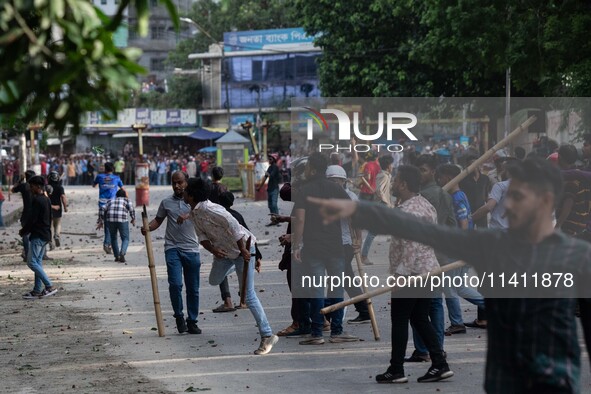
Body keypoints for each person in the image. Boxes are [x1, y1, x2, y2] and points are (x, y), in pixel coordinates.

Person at [310, 157, 591, 393]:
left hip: (556, 384)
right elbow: (421, 230)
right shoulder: (492, 247)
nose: (510, 205)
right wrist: (360, 209)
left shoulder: (578, 258)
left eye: (518, 197)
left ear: (545, 201)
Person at [375, 165, 453, 383]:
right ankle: (439, 363)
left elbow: (412, 245)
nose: (393, 184)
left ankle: (396, 370)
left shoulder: (406, 212)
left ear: (404, 184)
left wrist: (401, 275)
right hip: (429, 270)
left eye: (396, 181)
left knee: (400, 319)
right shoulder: (426, 206)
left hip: (412, 274)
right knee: (420, 318)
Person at [182, 177, 278, 355]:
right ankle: (239, 270)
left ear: (192, 195)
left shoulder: (213, 209)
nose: (183, 192)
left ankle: (267, 335)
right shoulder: (194, 213)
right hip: (225, 253)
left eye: (186, 189)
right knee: (213, 280)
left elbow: (236, 228)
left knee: (248, 296)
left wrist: (244, 250)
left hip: (243, 251)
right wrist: (214, 250)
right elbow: (202, 237)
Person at [292, 152, 358, 345]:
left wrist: (297, 244)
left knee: (316, 290)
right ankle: (337, 331)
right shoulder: (335, 188)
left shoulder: (304, 191)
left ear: (311, 168)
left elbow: (300, 219)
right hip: (335, 246)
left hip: (313, 248)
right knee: (336, 288)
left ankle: (317, 333)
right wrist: (356, 237)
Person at [141, 171, 201, 334]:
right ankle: (179, 316)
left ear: (186, 182)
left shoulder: (195, 202)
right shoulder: (166, 202)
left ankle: (192, 321)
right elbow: (158, 221)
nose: (176, 186)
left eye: (180, 182)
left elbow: (203, 213)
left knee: (193, 289)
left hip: (192, 249)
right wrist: (148, 228)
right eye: (174, 183)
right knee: (175, 284)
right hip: (172, 248)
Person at [437, 164, 486, 335]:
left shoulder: (456, 198)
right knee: (458, 287)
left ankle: (457, 323)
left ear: (450, 177)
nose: (440, 180)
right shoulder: (459, 195)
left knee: (450, 287)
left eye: (442, 177)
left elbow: (464, 224)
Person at [325, 165, 371, 324]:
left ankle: (329, 314)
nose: (334, 184)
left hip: (345, 243)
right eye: (331, 181)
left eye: (337, 181)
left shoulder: (350, 196)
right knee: (345, 278)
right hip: (331, 243)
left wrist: (358, 239)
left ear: (343, 181)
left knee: (337, 278)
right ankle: (363, 310)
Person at [19, 176, 57, 299]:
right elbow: (49, 217)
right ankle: (36, 290)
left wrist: (24, 231)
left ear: (37, 186)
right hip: (45, 234)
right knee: (37, 263)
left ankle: (49, 286)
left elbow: (32, 220)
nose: (30, 188)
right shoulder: (46, 199)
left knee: (31, 262)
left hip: (38, 235)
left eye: (32, 186)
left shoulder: (37, 200)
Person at [93, 162, 123, 255]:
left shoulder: (99, 177)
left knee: (106, 224)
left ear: (104, 169)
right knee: (110, 225)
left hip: (102, 203)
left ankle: (108, 244)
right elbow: (122, 188)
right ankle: (107, 244)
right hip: (112, 204)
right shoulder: (116, 178)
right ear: (113, 169)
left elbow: (93, 185)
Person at [99, 188, 135, 263]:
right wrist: (133, 218)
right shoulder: (127, 200)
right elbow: (131, 209)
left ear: (116, 195)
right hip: (122, 220)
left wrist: (101, 220)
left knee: (113, 238)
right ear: (125, 195)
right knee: (125, 238)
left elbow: (102, 208)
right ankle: (122, 253)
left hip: (110, 220)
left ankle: (117, 256)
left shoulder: (110, 201)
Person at [359, 151, 381, 265]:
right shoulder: (378, 166)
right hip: (373, 194)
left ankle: (358, 249)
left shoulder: (367, 165)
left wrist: (362, 179)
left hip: (365, 193)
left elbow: (367, 177)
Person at [459, 156, 491, 228]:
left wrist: (489, 207)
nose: (474, 167)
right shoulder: (463, 180)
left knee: (483, 233)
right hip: (468, 211)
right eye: (471, 165)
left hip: (481, 211)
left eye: (476, 164)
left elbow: (486, 195)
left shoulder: (485, 178)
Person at [12, 170, 36, 261]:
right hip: (35, 214)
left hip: (26, 214)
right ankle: (35, 254)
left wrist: (19, 181)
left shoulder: (23, 186)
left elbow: (12, 190)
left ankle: (27, 254)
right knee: (35, 234)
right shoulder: (37, 186)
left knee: (25, 235)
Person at [257, 155, 282, 220]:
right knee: (270, 205)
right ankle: (273, 219)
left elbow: (272, 175)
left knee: (274, 205)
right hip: (270, 189)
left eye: (270, 159)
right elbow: (265, 178)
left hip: (274, 189)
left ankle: (277, 219)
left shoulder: (275, 167)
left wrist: (268, 174)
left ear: (274, 160)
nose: (269, 161)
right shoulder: (269, 168)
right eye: (269, 159)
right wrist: (259, 187)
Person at [47, 171, 68, 250]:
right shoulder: (60, 187)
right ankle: (57, 235)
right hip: (58, 208)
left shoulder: (46, 187)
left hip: (48, 209)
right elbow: (63, 197)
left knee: (49, 226)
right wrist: (65, 207)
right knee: (58, 224)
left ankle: (50, 243)